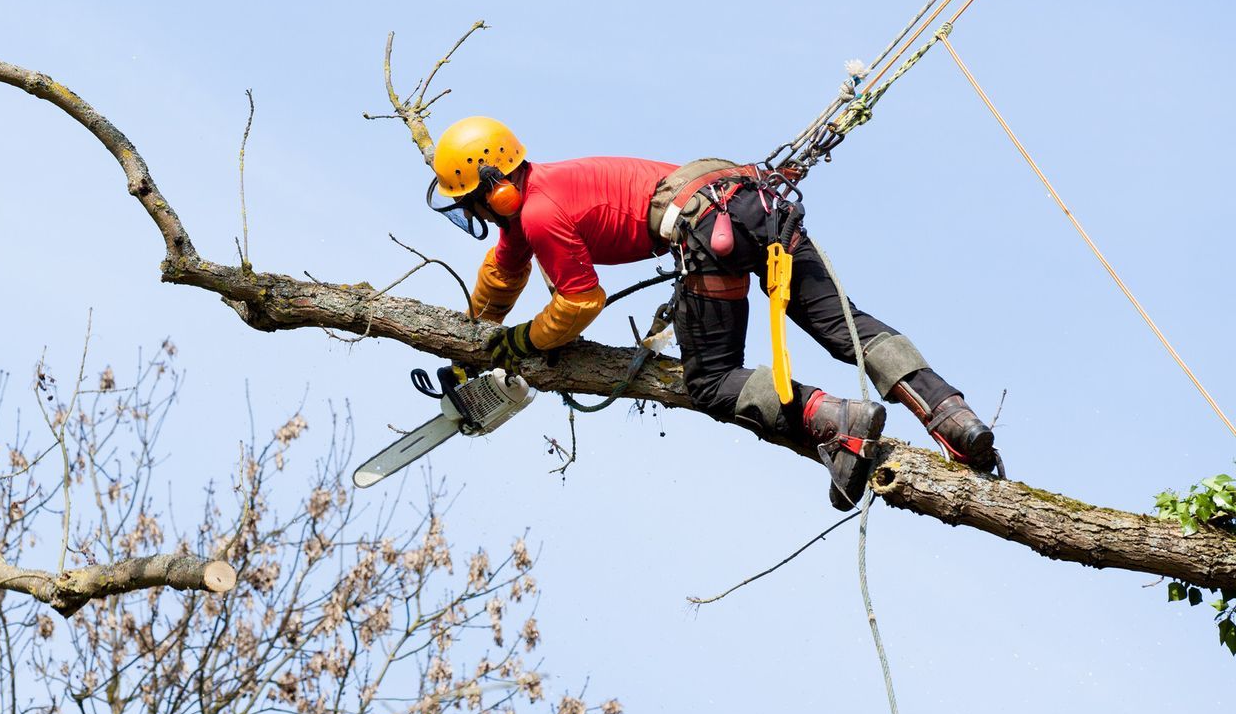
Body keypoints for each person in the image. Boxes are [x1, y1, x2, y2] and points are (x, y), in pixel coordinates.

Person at [426, 115, 1000, 508]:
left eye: (472, 201)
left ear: (495, 186)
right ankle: (954, 417)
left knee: (712, 379)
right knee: (842, 324)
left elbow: (579, 302)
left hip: (708, 233)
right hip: (753, 204)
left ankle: (838, 422)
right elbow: (503, 273)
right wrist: (473, 341)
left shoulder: (540, 213)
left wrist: (520, 343)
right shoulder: (541, 196)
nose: (477, 213)